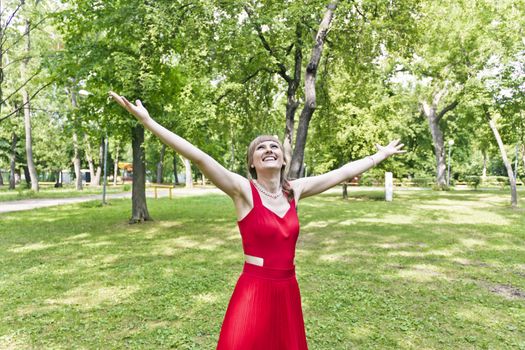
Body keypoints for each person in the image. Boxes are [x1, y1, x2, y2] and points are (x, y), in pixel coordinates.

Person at [109, 92, 405, 350]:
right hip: (254, 289)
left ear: (283, 160)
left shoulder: (295, 191)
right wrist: (148, 122)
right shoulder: (243, 192)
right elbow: (199, 157)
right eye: (260, 148)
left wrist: (377, 157)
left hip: (287, 289)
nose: (268, 150)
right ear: (252, 162)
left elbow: (339, 173)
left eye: (274, 147)